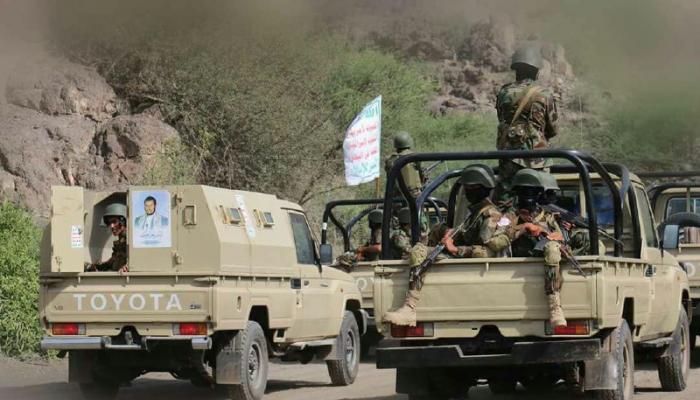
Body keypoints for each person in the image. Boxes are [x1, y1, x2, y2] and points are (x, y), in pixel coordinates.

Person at [383, 165, 511, 327]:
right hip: (467, 262)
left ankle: (410, 307)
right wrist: (450, 235)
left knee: (419, 251)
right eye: (466, 188)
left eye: (471, 188)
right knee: (423, 245)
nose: (467, 192)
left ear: (482, 189)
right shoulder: (476, 212)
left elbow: (486, 253)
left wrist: (454, 248)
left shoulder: (490, 215)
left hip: (473, 265)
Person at [506, 169, 581, 327]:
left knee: (561, 245)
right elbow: (499, 238)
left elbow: (559, 237)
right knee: (553, 248)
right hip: (521, 255)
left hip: (548, 256)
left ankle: (555, 302)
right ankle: (555, 306)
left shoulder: (548, 216)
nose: (527, 196)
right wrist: (525, 227)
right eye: (523, 192)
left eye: (531, 192)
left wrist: (556, 235)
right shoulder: (509, 216)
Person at [495, 43, 560, 205]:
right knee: (540, 203)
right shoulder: (543, 94)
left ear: (516, 69)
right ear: (536, 71)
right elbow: (553, 129)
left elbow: (501, 120)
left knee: (506, 202)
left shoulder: (504, 92)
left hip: (508, 158)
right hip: (536, 161)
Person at [87, 203, 129, 274]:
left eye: (114, 221)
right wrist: (95, 267)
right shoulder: (120, 243)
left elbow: (139, 259)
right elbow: (111, 262)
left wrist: (128, 267)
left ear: (123, 221)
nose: (111, 226)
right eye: (110, 223)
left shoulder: (133, 241)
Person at [384, 131, 425, 201]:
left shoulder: (390, 160)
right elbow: (423, 175)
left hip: (396, 196)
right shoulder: (416, 158)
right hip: (414, 195)